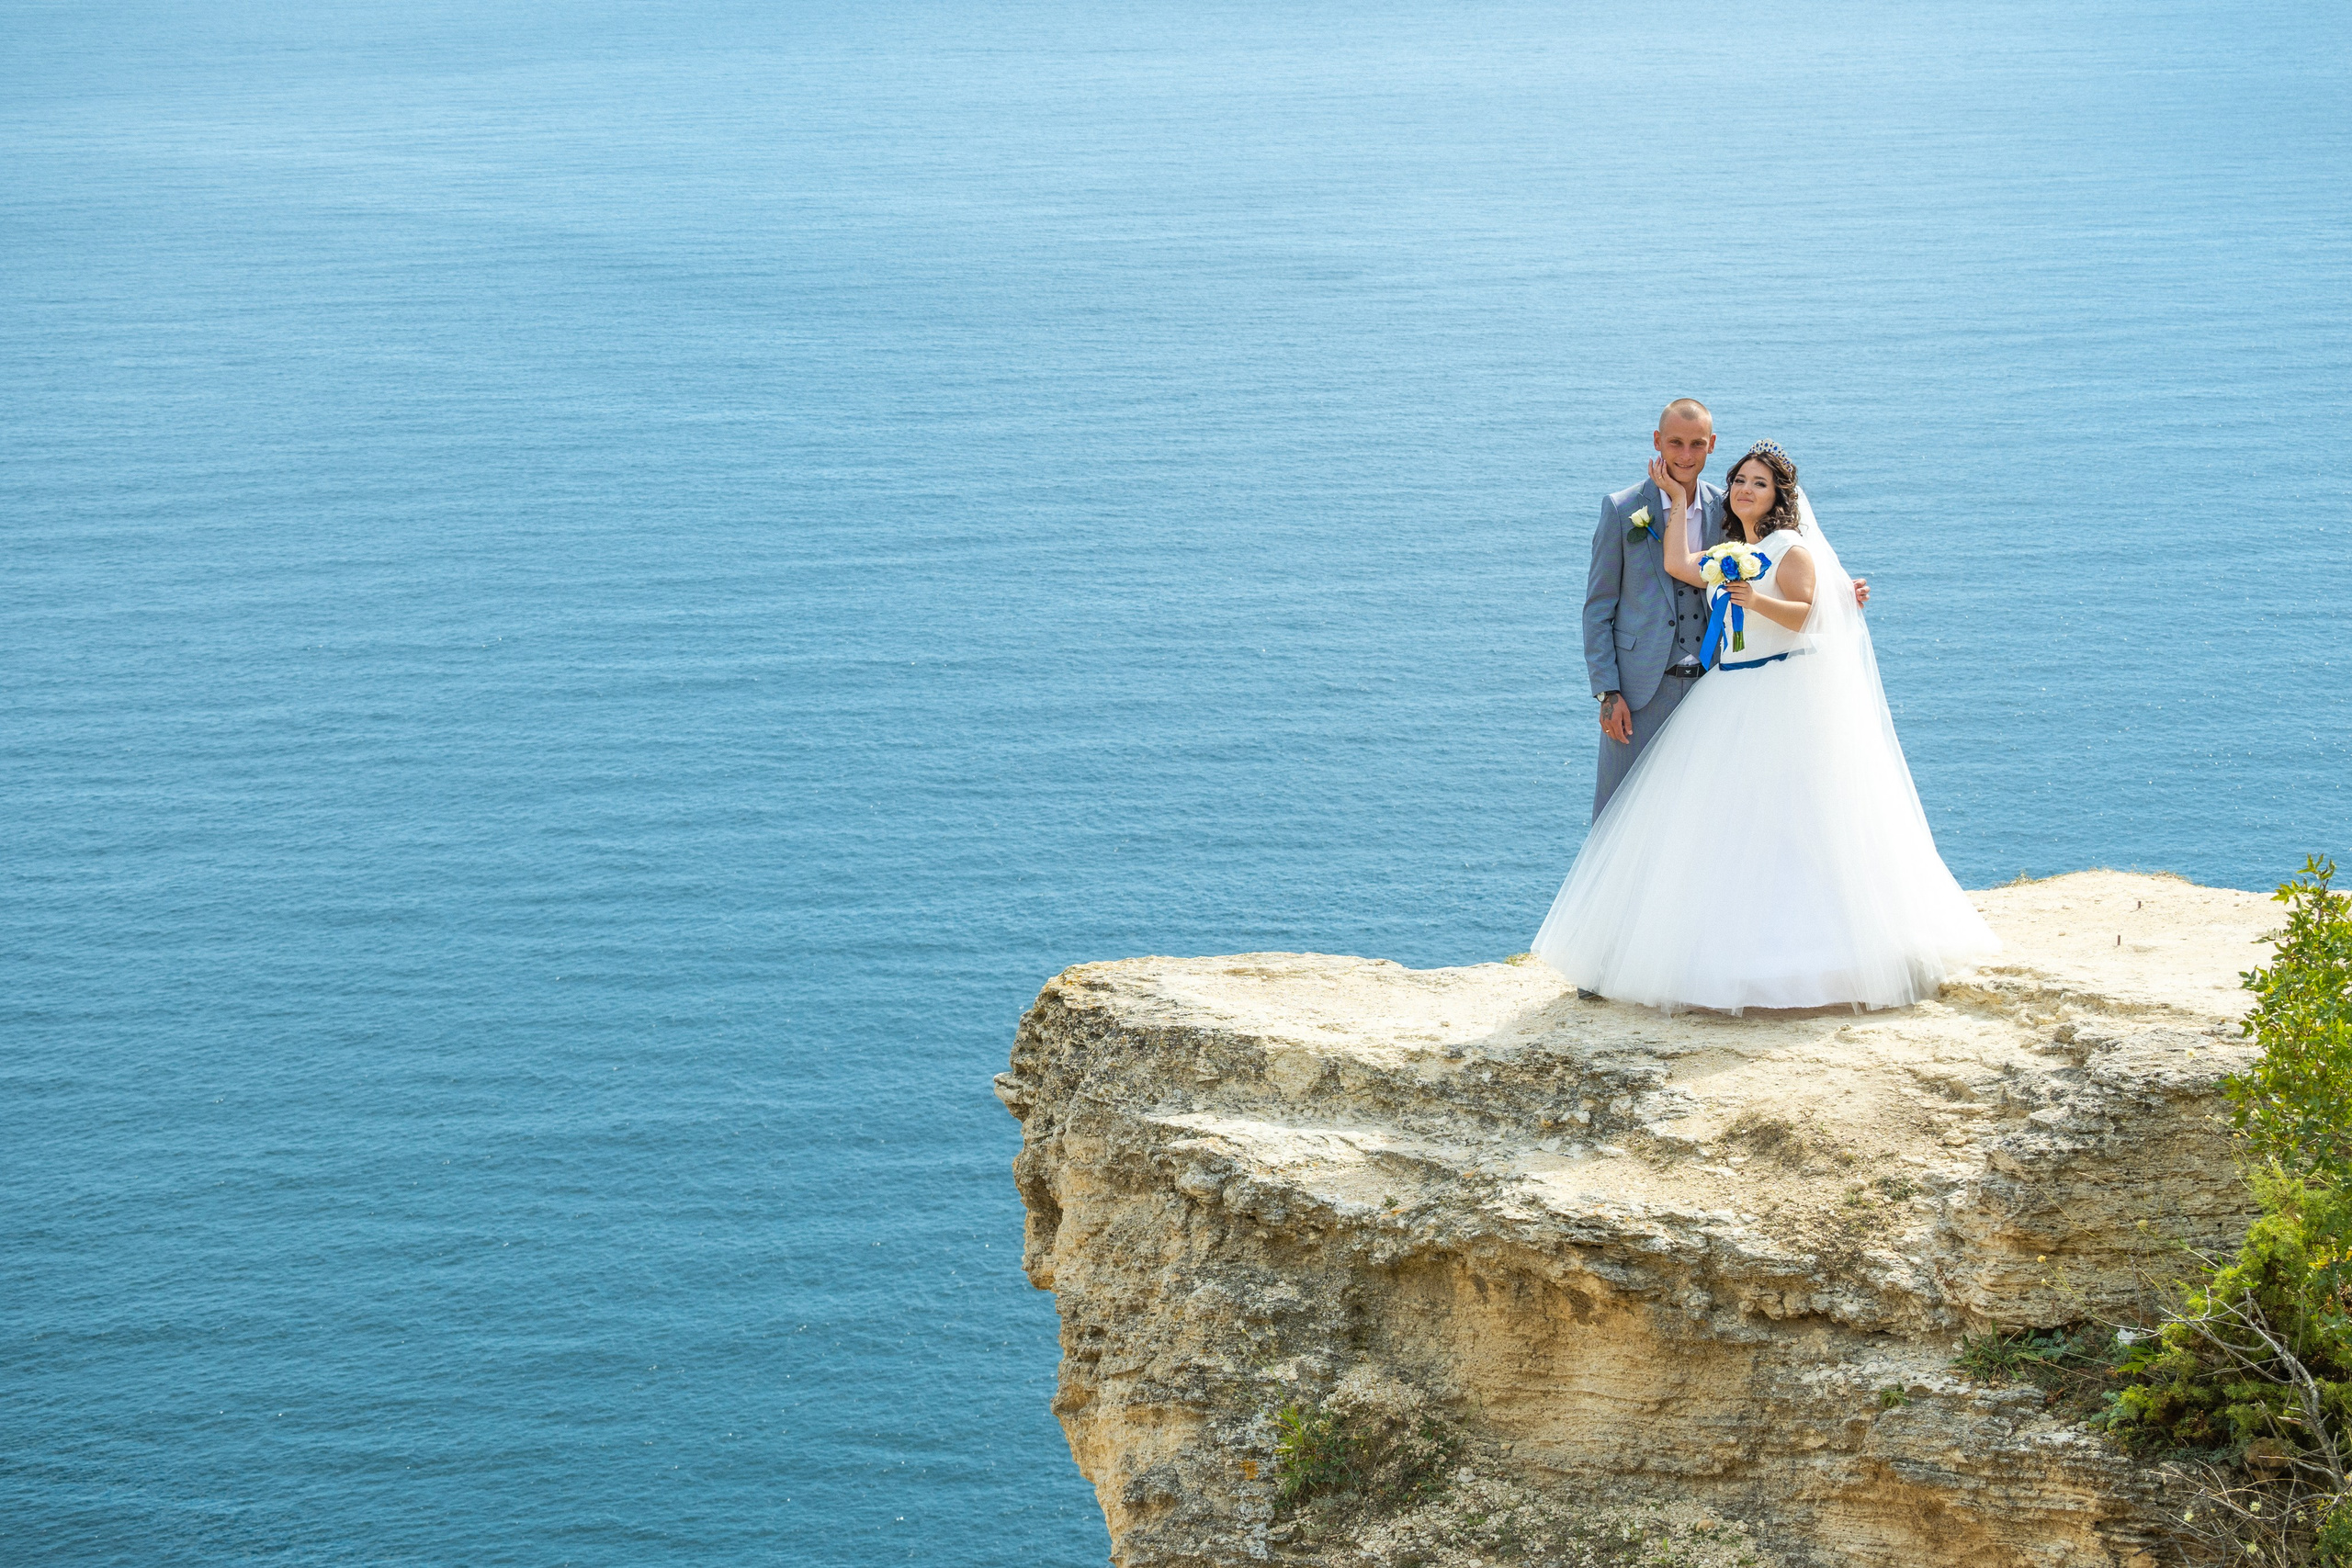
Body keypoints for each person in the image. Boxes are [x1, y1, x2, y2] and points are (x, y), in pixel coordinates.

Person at [1535, 441, 1996, 1011]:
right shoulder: (1733, 550)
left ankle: (1810, 960)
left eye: (1760, 483)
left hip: (1781, 691)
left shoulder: (1791, 548)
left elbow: (1806, 615)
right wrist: (1679, 501)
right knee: (1722, 824)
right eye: (1740, 482)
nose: (1746, 491)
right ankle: (1718, 955)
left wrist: (1756, 601)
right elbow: (1680, 565)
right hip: (1730, 689)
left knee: (1793, 819)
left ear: (1780, 496)